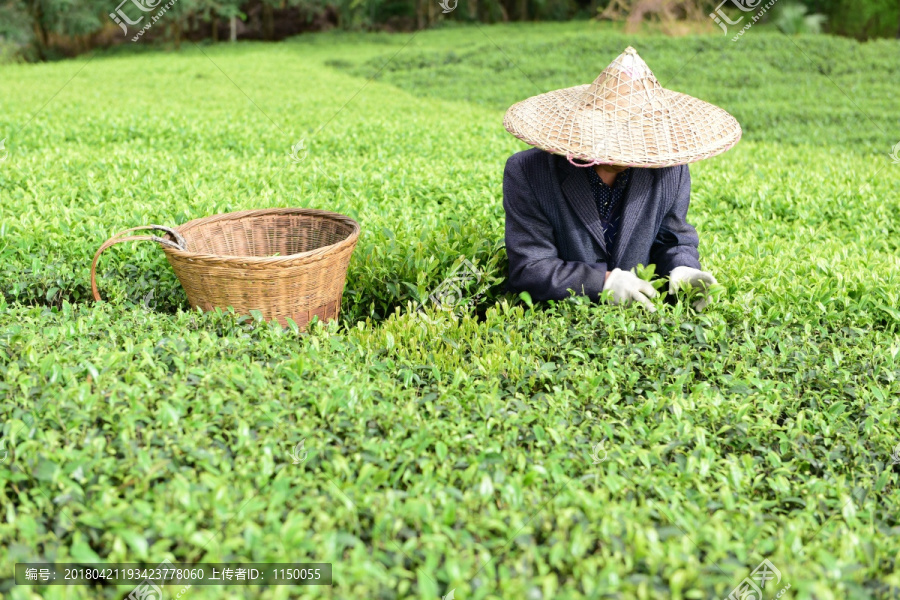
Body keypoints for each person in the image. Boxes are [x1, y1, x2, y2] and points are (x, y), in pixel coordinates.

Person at [502, 46, 742, 312]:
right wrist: (602, 282)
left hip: (641, 328)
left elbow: (673, 239)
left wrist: (683, 268)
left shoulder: (669, 169)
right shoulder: (529, 171)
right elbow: (530, 267)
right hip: (561, 320)